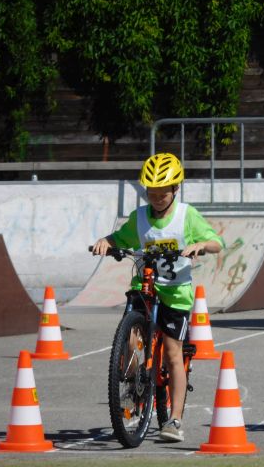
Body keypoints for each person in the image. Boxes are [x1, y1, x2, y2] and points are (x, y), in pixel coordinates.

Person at [92, 153, 223, 443]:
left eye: (162, 194)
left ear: (175, 189)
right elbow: (118, 238)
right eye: (151, 193)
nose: (156, 199)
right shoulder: (139, 218)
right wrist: (105, 242)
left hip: (175, 291)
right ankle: (132, 384)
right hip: (145, 285)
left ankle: (174, 420)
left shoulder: (187, 215)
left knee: (174, 353)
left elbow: (217, 242)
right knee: (129, 338)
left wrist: (201, 244)